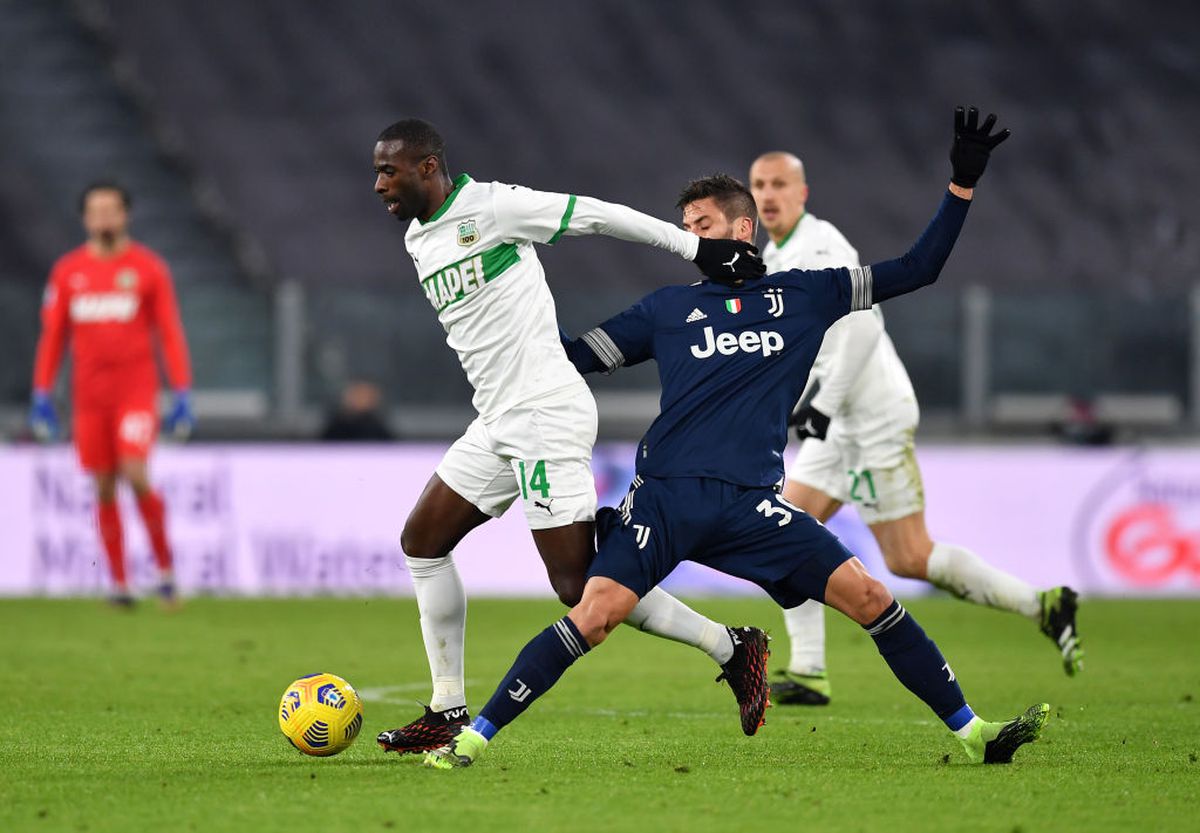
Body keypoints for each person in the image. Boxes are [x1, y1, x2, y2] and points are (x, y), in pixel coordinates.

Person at [426, 107, 1049, 771]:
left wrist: (961, 185)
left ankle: (975, 732)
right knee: (595, 611)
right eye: (686, 228)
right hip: (664, 500)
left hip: (752, 506)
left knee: (870, 595)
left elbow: (918, 267)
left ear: (742, 227)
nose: (691, 236)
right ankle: (469, 741)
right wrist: (498, 292)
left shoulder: (805, 295)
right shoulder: (667, 309)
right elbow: (570, 355)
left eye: (703, 225)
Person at [372, 119, 774, 754]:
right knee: (422, 542)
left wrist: (693, 249)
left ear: (427, 168)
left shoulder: (495, 207)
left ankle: (731, 646)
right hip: (498, 419)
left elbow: (595, 214)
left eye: (388, 172)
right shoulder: (419, 238)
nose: (378, 186)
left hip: (545, 413)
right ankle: (446, 709)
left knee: (578, 586)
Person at [747, 149, 1083, 706]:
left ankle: (1042, 605)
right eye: (759, 185)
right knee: (784, 530)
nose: (768, 195)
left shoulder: (819, 246)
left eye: (780, 184)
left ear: (802, 193)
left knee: (908, 558)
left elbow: (860, 328)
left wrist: (822, 402)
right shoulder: (776, 251)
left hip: (870, 415)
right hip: (836, 420)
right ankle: (807, 670)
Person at [30, 181, 195, 607]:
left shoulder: (147, 268)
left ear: (125, 215)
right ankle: (119, 584)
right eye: (95, 210)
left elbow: (169, 332)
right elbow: (53, 337)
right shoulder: (68, 272)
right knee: (103, 487)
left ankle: (165, 572)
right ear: (85, 218)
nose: (103, 218)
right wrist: (42, 391)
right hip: (89, 399)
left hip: (135, 393)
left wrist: (181, 390)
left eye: (111, 209)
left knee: (135, 472)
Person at [319, 381, 395, 441]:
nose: (361, 399)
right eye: (357, 395)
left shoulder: (377, 426)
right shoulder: (337, 426)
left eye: (365, 396)